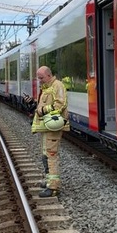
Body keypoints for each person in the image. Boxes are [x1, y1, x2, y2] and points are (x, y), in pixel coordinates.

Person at [29, 66, 69, 198]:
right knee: (45, 154)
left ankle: (53, 187)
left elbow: (60, 104)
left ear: (48, 75)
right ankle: (48, 180)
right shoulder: (47, 87)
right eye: (38, 78)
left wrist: (42, 110)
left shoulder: (57, 86)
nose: (39, 80)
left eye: (41, 78)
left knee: (51, 155)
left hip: (53, 126)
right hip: (47, 127)